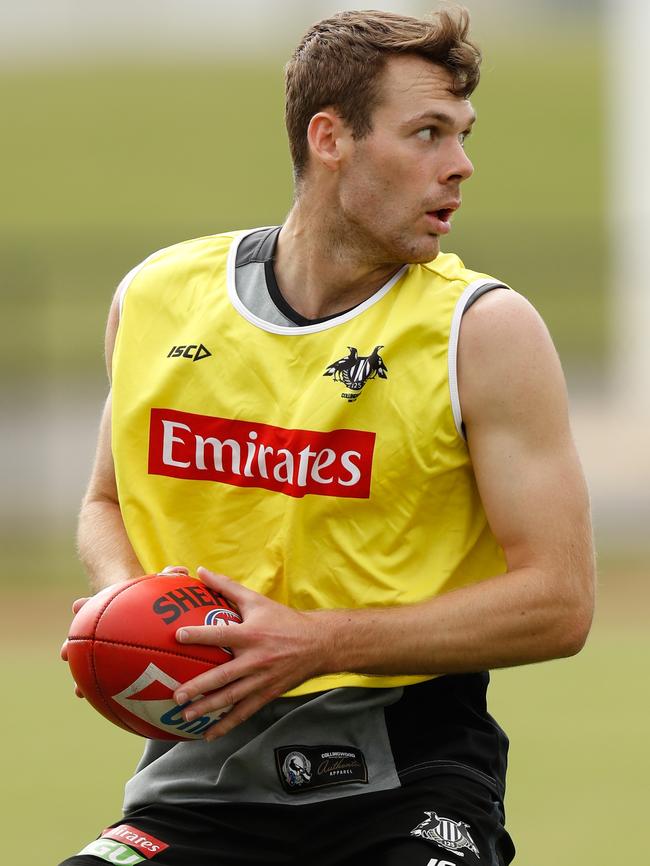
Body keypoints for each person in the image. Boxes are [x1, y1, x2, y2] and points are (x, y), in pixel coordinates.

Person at [59, 7, 595, 866]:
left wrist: (316, 643)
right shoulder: (158, 296)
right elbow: (105, 501)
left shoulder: (484, 331)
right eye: (426, 133)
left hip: (408, 781)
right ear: (330, 137)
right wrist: (130, 608)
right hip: (198, 778)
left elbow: (559, 604)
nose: (460, 167)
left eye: (462, 134)